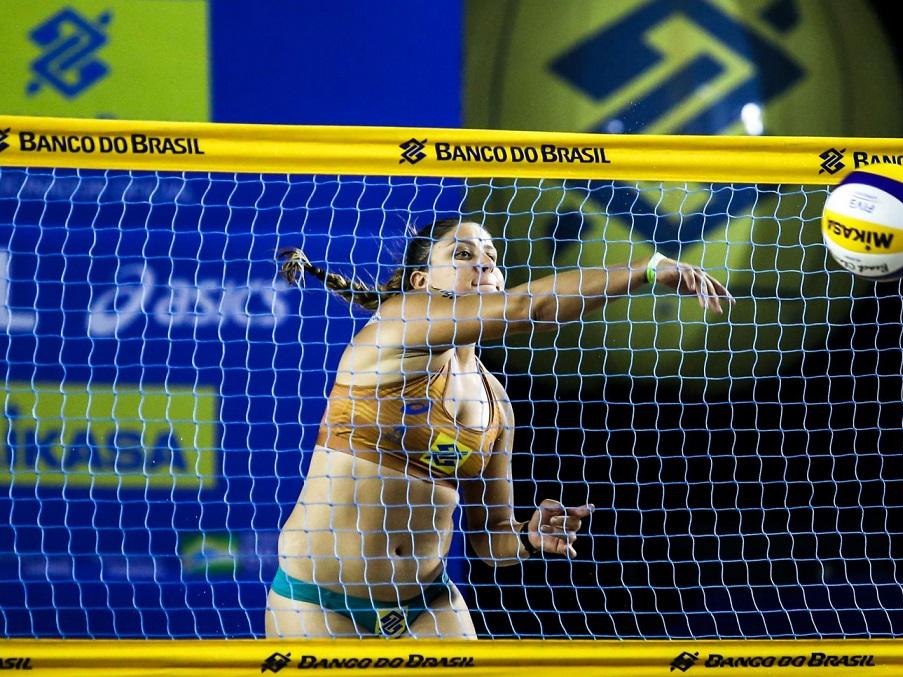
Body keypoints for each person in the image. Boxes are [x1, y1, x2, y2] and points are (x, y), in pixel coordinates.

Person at [265, 218, 733, 639]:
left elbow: (491, 538)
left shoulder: (496, 404)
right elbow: (528, 307)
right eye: (463, 254)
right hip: (320, 600)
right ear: (421, 282)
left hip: (425, 603)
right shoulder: (402, 320)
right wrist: (647, 269)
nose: (484, 264)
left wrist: (529, 536)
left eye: (491, 256)